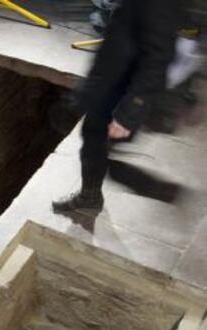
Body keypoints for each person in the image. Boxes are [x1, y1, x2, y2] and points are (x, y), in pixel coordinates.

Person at [53, 0, 182, 213]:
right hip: (110, 81)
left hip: (124, 89)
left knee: (99, 143)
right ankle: (91, 195)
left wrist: (129, 114)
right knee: (92, 138)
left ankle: (152, 188)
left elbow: (157, 59)